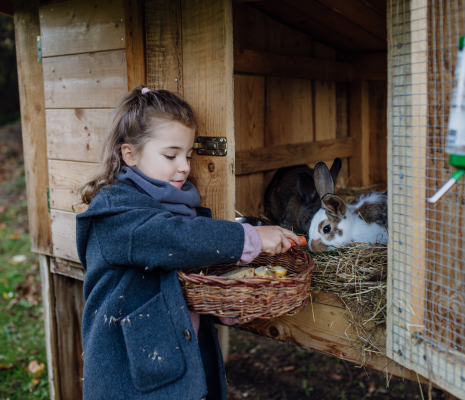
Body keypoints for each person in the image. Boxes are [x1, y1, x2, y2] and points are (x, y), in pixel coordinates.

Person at [75, 86, 300, 400]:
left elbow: (187, 268)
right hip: (129, 371)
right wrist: (250, 237)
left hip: (175, 359)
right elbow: (174, 237)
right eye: (171, 155)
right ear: (130, 154)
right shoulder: (116, 211)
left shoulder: (174, 205)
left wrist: (225, 297)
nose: (184, 166)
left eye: (189, 155)